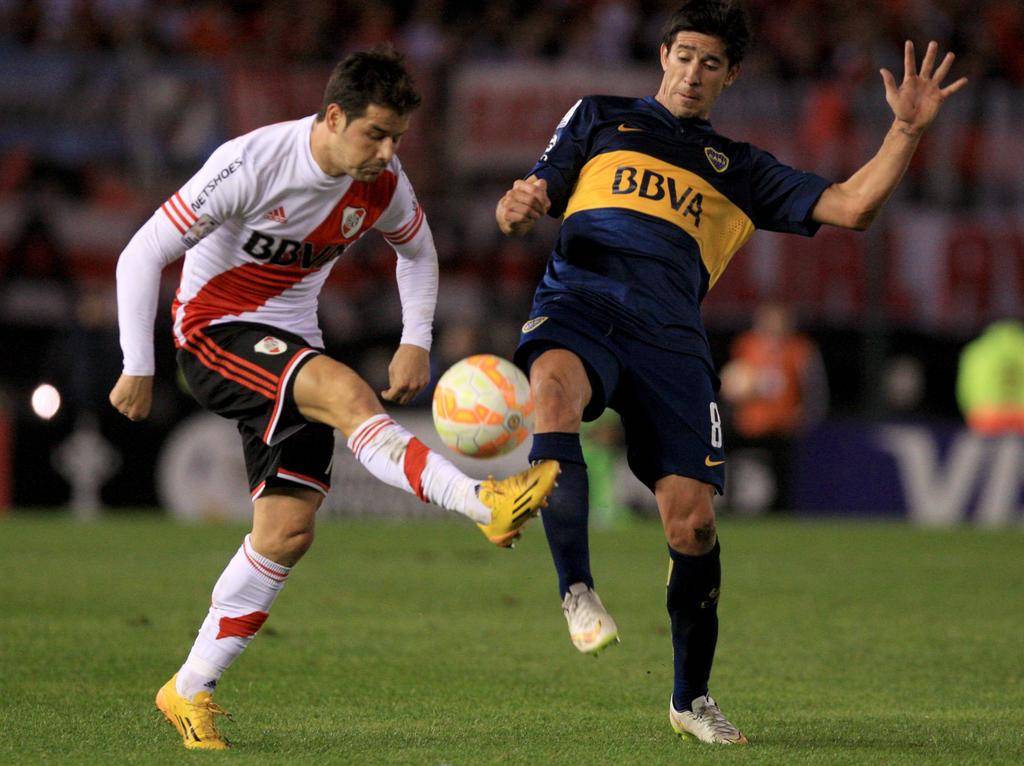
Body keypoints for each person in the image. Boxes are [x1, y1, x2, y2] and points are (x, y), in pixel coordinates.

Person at [495, 0, 966, 746]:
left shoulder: (738, 168)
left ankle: (690, 700)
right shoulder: (600, 116)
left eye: (710, 62)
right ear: (662, 56)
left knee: (694, 524)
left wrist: (906, 129)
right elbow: (531, 197)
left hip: (671, 344)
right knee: (551, 390)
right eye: (683, 55)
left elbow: (851, 207)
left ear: (730, 75)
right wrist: (518, 206)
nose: (692, 72)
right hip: (580, 302)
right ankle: (576, 588)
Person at [109, 47, 559, 751]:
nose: (387, 152)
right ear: (332, 116)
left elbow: (417, 250)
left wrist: (416, 338)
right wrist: (137, 363)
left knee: (286, 532)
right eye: (374, 134)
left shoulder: (381, 183)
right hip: (213, 334)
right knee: (347, 390)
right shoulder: (251, 163)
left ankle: (188, 689)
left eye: (397, 138)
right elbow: (142, 252)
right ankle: (483, 503)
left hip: (291, 344)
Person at [719, 302, 828, 512]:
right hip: (750, 423)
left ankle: (782, 511)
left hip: (782, 425)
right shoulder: (746, 344)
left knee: (783, 475)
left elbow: (814, 388)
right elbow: (732, 382)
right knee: (731, 461)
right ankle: (729, 504)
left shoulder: (800, 349)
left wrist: (805, 415)